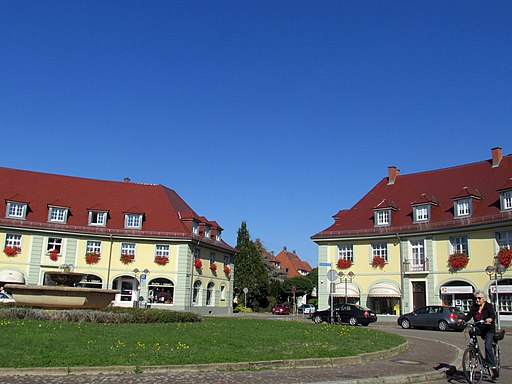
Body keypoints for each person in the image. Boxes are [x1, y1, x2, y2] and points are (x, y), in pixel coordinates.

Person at [462, 290, 498, 378]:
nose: (477, 300)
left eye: (479, 298)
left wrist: (490, 319)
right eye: (476, 298)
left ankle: (493, 367)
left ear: (484, 299)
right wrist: (463, 320)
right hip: (479, 328)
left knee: (488, 347)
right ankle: (473, 347)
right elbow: (469, 315)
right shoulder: (474, 307)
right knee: (471, 331)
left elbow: (493, 315)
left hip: (488, 329)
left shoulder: (488, 306)